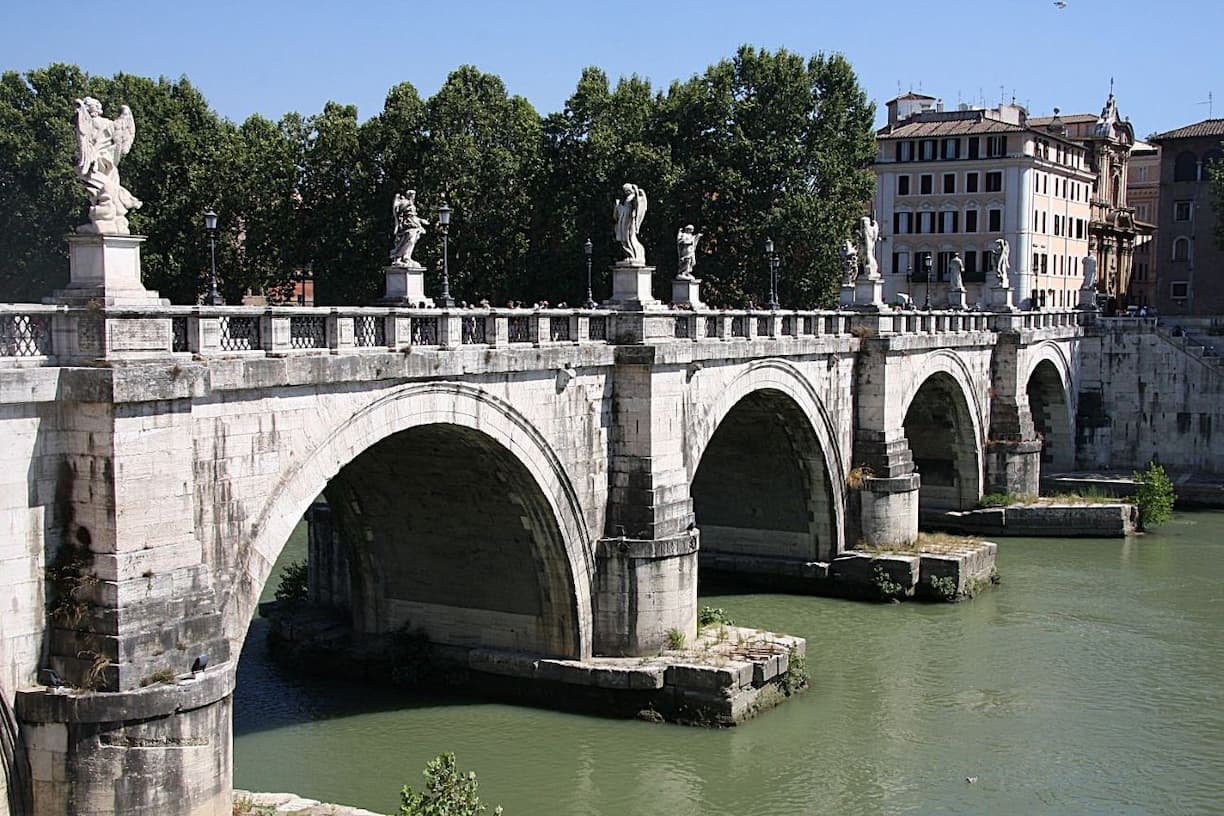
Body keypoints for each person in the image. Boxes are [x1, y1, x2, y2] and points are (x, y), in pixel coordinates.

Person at [614, 183, 648, 265]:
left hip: (629, 219)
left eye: (627, 190)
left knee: (628, 237)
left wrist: (636, 192)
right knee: (623, 238)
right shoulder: (627, 199)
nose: (626, 192)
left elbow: (637, 204)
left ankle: (633, 255)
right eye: (625, 190)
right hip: (623, 218)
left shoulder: (634, 197)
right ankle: (629, 255)